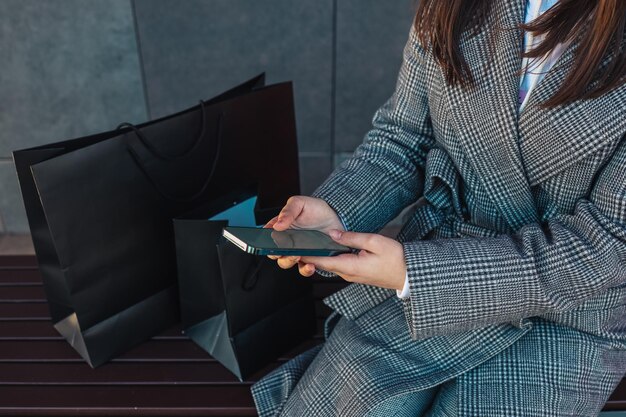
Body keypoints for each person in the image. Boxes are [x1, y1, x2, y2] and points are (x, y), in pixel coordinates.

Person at [252, 0, 626, 415]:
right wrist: (335, 213)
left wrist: (416, 273)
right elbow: (404, 139)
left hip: (569, 316)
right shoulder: (455, 6)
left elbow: (608, 241)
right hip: (430, 274)